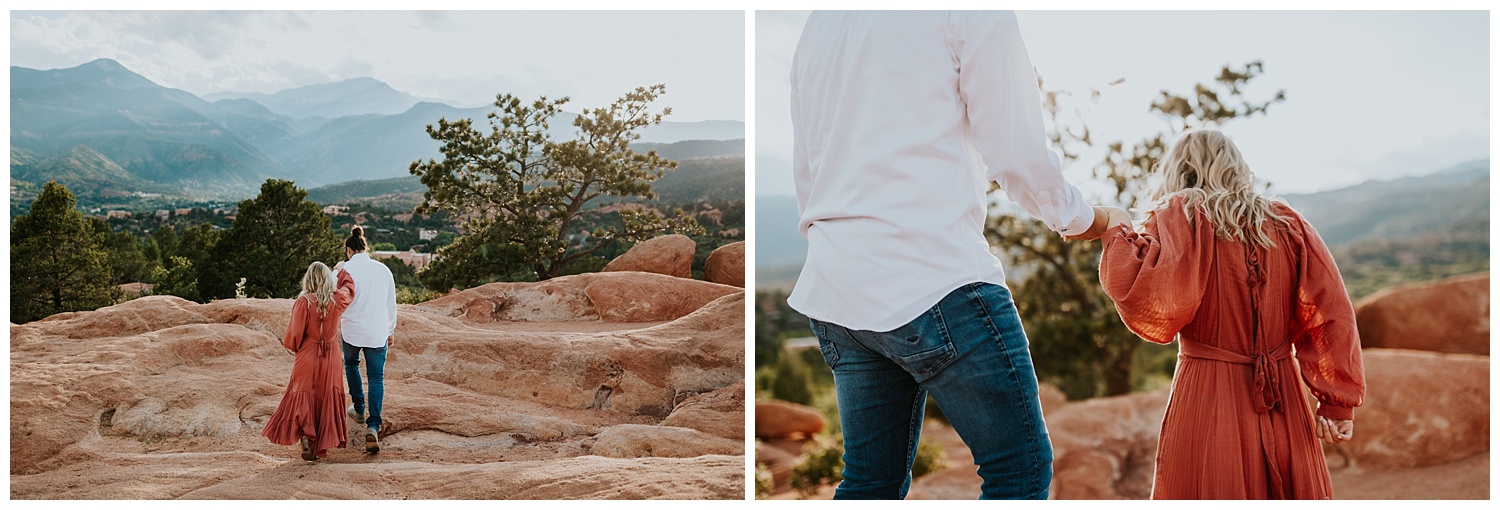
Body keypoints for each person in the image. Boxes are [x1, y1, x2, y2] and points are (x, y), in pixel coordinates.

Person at [788, 11, 1114, 499]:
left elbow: (807, 164)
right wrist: (1089, 219)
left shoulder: (823, 19)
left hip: (838, 284)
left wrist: (832, 241)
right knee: (1018, 470)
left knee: (868, 482)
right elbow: (1016, 153)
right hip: (933, 278)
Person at [1097, 129, 1365, 499]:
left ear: (1178, 170)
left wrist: (1116, 226)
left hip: (1207, 393)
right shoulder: (1289, 224)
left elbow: (1142, 295)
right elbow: (1330, 312)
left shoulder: (1181, 218)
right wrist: (1336, 402)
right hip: (1282, 394)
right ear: (1237, 167)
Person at [262, 261, 356, 461]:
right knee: (325, 398)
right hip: (331, 356)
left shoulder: (304, 302)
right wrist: (342, 271)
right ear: (328, 279)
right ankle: (318, 443)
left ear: (308, 279)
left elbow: (294, 336)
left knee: (304, 395)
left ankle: (306, 436)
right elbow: (349, 289)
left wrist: (299, 347)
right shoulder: (337, 300)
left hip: (308, 354)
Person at [339, 225, 398, 453]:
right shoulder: (383, 270)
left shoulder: (343, 270)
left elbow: (337, 299)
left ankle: (359, 408)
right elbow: (390, 304)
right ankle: (373, 425)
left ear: (348, 250)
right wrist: (390, 330)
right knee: (376, 378)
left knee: (352, 364)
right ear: (366, 248)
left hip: (352, 331)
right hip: (376, 332)